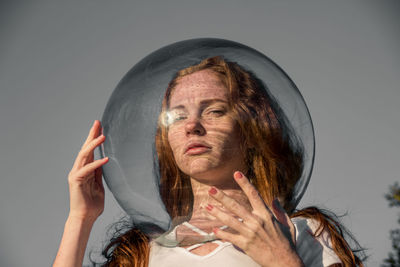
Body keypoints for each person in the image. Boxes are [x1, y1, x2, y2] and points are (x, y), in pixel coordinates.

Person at [53, 56, 364, 267]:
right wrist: (80, 219)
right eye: (177, 117)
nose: (192, 126)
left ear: (252, 129)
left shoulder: (301, 231)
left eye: (214, 111)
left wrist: (282, 260)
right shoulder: (141, 253)